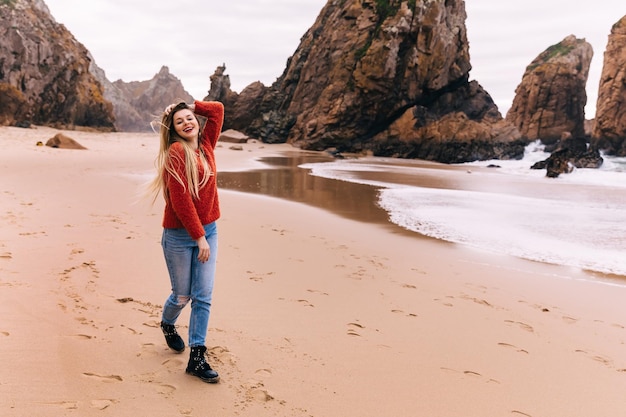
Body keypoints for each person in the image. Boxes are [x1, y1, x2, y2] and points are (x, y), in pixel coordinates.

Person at [149, 100, 224, 383]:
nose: (187, 123)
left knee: (203, 296)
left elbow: (216, 111)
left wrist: (190, 103)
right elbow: (180, 202)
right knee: (182, 296)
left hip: (209, 231)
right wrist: (199, 237)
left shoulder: (206, 146)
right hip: (181, 236)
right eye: (180, 122)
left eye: (190, 118)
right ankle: (168, 324)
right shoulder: (177, 152)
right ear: (174, 130)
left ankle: (197, 357)